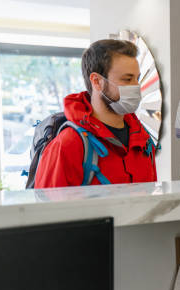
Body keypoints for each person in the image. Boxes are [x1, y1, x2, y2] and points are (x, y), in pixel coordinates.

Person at [35, 39, 157, 188]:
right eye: (127, 79)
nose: (136, 87)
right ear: (97, 81)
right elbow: (48, 209)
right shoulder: (68, 145)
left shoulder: (142, 141)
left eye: (137, 79)